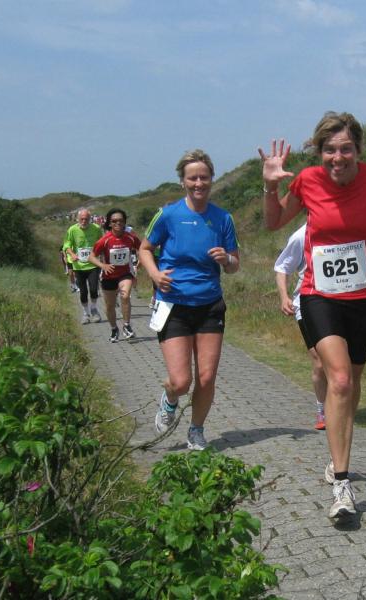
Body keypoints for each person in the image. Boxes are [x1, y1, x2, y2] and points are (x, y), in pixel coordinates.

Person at [259, 111, 366, 521]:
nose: (338, 158)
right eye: (330, 150)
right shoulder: (307, 181)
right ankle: (342, 484)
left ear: (358, 149)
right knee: (339, 380)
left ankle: (337, 453)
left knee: (352, 383)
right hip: (320, 295)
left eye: (346, 149)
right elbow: (273, 221)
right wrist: (270, 186)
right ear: (320, 152)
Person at [138, 149, 239, 451]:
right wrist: (155, 274)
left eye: (204, 177)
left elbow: (234, 265)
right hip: (174, 305)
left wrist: (226, 259)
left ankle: (196, 430)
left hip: (210, 305)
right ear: (182, 181)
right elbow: (144, 248)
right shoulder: (168, 215)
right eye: (192, 178)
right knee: (181, 382)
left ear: (211, 179)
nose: (199, 183)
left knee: (206, 378)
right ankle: (170, 399)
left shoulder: (223, 218)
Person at [273, 223, 327, 430]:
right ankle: (323, 410)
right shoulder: (301, 236)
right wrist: (284, 296)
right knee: (319, 360)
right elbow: (282, 267)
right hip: (307, 304)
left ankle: (339, 402)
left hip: (340, 304)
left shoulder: (343, 228)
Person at [88, 208, 141, 342]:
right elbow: (91, 257)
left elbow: (141, 248)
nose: (118, 223)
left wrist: (140, 261)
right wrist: (103, 266)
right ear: (109, 223)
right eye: (114, 221)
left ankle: (126, 325)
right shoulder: (105, 240)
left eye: (120, 220)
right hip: (108, 276)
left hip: (125, 273)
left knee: (125, 296)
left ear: (125, 222)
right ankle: (114, 328)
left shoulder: (130, 237)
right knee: (110, 306)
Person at [64, 209, 103, 324]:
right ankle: (86, 313)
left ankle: (94, 309)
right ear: (77, 219)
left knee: (94, 289)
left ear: (90, 219)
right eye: (82, 219)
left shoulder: (96, 228)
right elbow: (66, 245)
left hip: (93, 265)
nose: (84, 221)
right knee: (83, 292)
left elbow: (101, 242)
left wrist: (101, 256)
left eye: (86, 219)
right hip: (79, 266)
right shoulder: (72, 230)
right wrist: (72, 254)